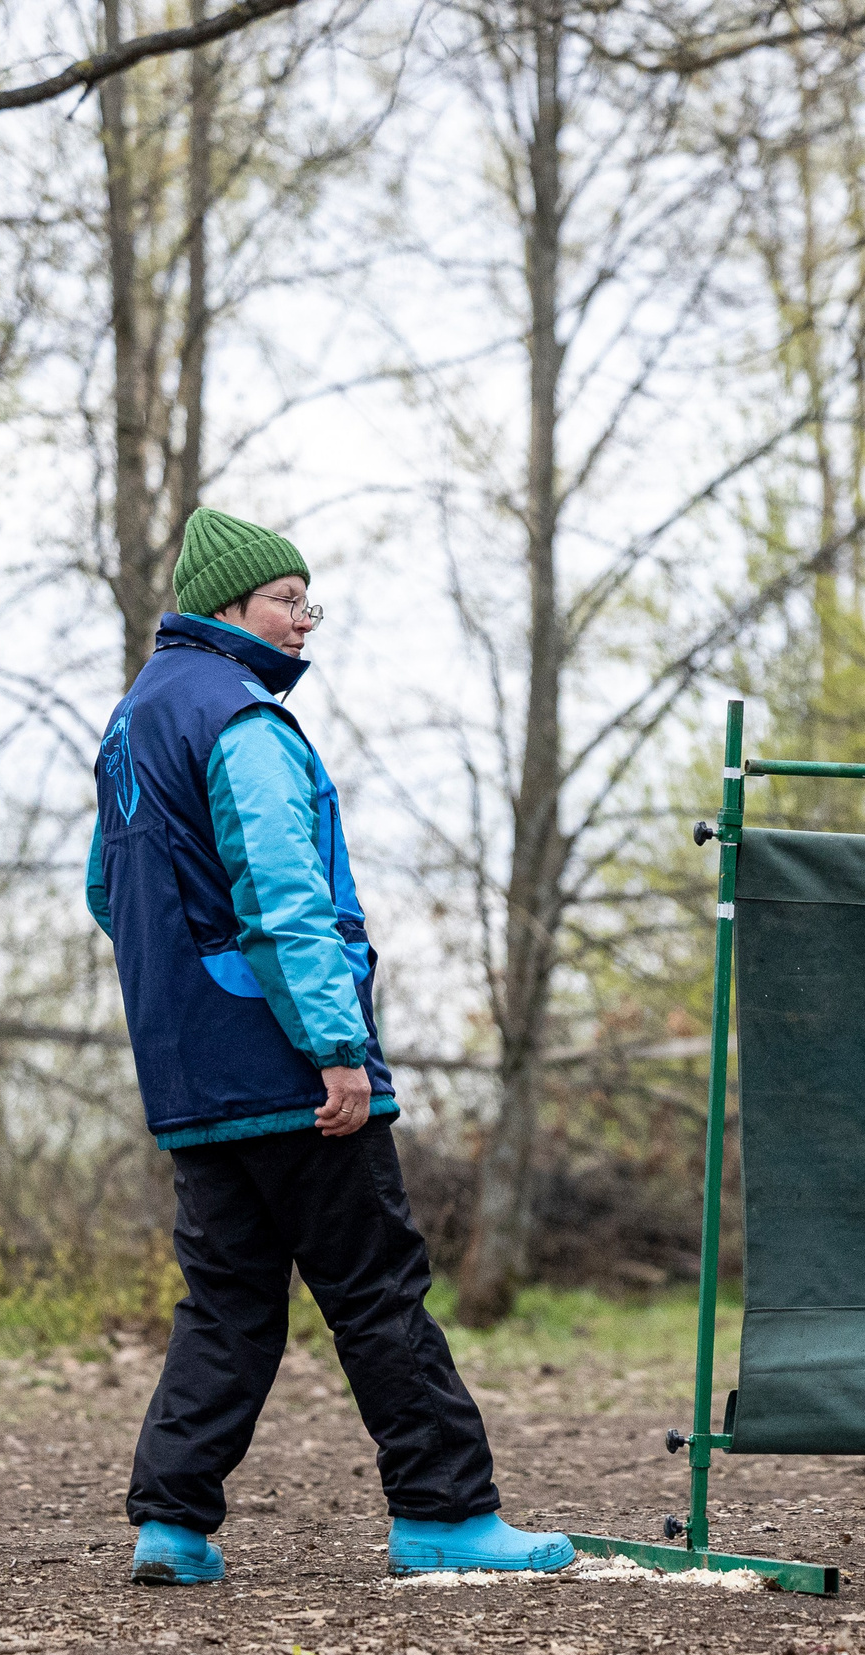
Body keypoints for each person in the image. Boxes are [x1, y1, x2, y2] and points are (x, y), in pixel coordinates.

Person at [88, 507, 572, 1583]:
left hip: (191, 1075)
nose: (307, 618)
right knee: (375, 1286)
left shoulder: (131, 723)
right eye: (287, 599)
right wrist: (335, 1044)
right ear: (228, 608)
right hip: (287, 1064)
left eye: (310, 600)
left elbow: (105, 893)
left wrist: (188, 996)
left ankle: (171, 1523)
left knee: (226, 1298)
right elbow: (283, 895)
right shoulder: (241, 718)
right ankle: (445, 1510)